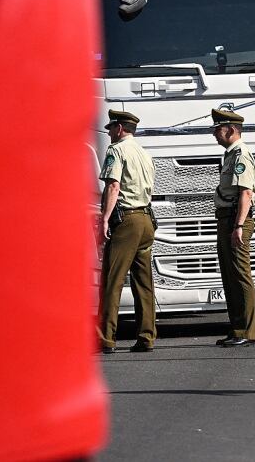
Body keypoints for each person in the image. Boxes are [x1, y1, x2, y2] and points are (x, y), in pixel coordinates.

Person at [99, 109, 157, 354]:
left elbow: (114, 185)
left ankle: (106, 338)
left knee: (112, 280)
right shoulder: (144, 154)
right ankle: (146, 336)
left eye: (111, 128)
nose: (110, 133)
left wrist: (104, 219)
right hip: (145, 219)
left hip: (127, 220)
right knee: (144, 283)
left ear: (119, 128)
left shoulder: (117, 151)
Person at [211, 108, 255, 347]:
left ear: (231, 130)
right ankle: (237, 328)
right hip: (229, 218)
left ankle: (246, 331)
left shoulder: (241, 154)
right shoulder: (233, 154)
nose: (214, 134)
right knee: (229, 275)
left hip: (235, 220)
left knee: (240, 275)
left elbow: (247, 190)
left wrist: (240, 222)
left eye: (217, 130)